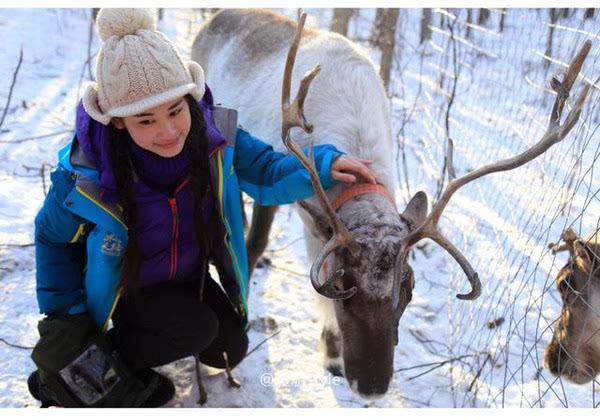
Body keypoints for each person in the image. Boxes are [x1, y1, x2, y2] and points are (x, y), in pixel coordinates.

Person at [27, 8, 377, 408]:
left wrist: (321, 165)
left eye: (176, 110)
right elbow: (51, 239)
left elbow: (265, 169)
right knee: (194, 328)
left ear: (190, 98)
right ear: (119, 122)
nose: (169, 130)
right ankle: (97, 365)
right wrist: (64, 319)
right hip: (126, 288)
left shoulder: (215, 139)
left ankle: (121, 351)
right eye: (146, 120)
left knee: (230, 347)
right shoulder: (87, 174)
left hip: (186, 279)